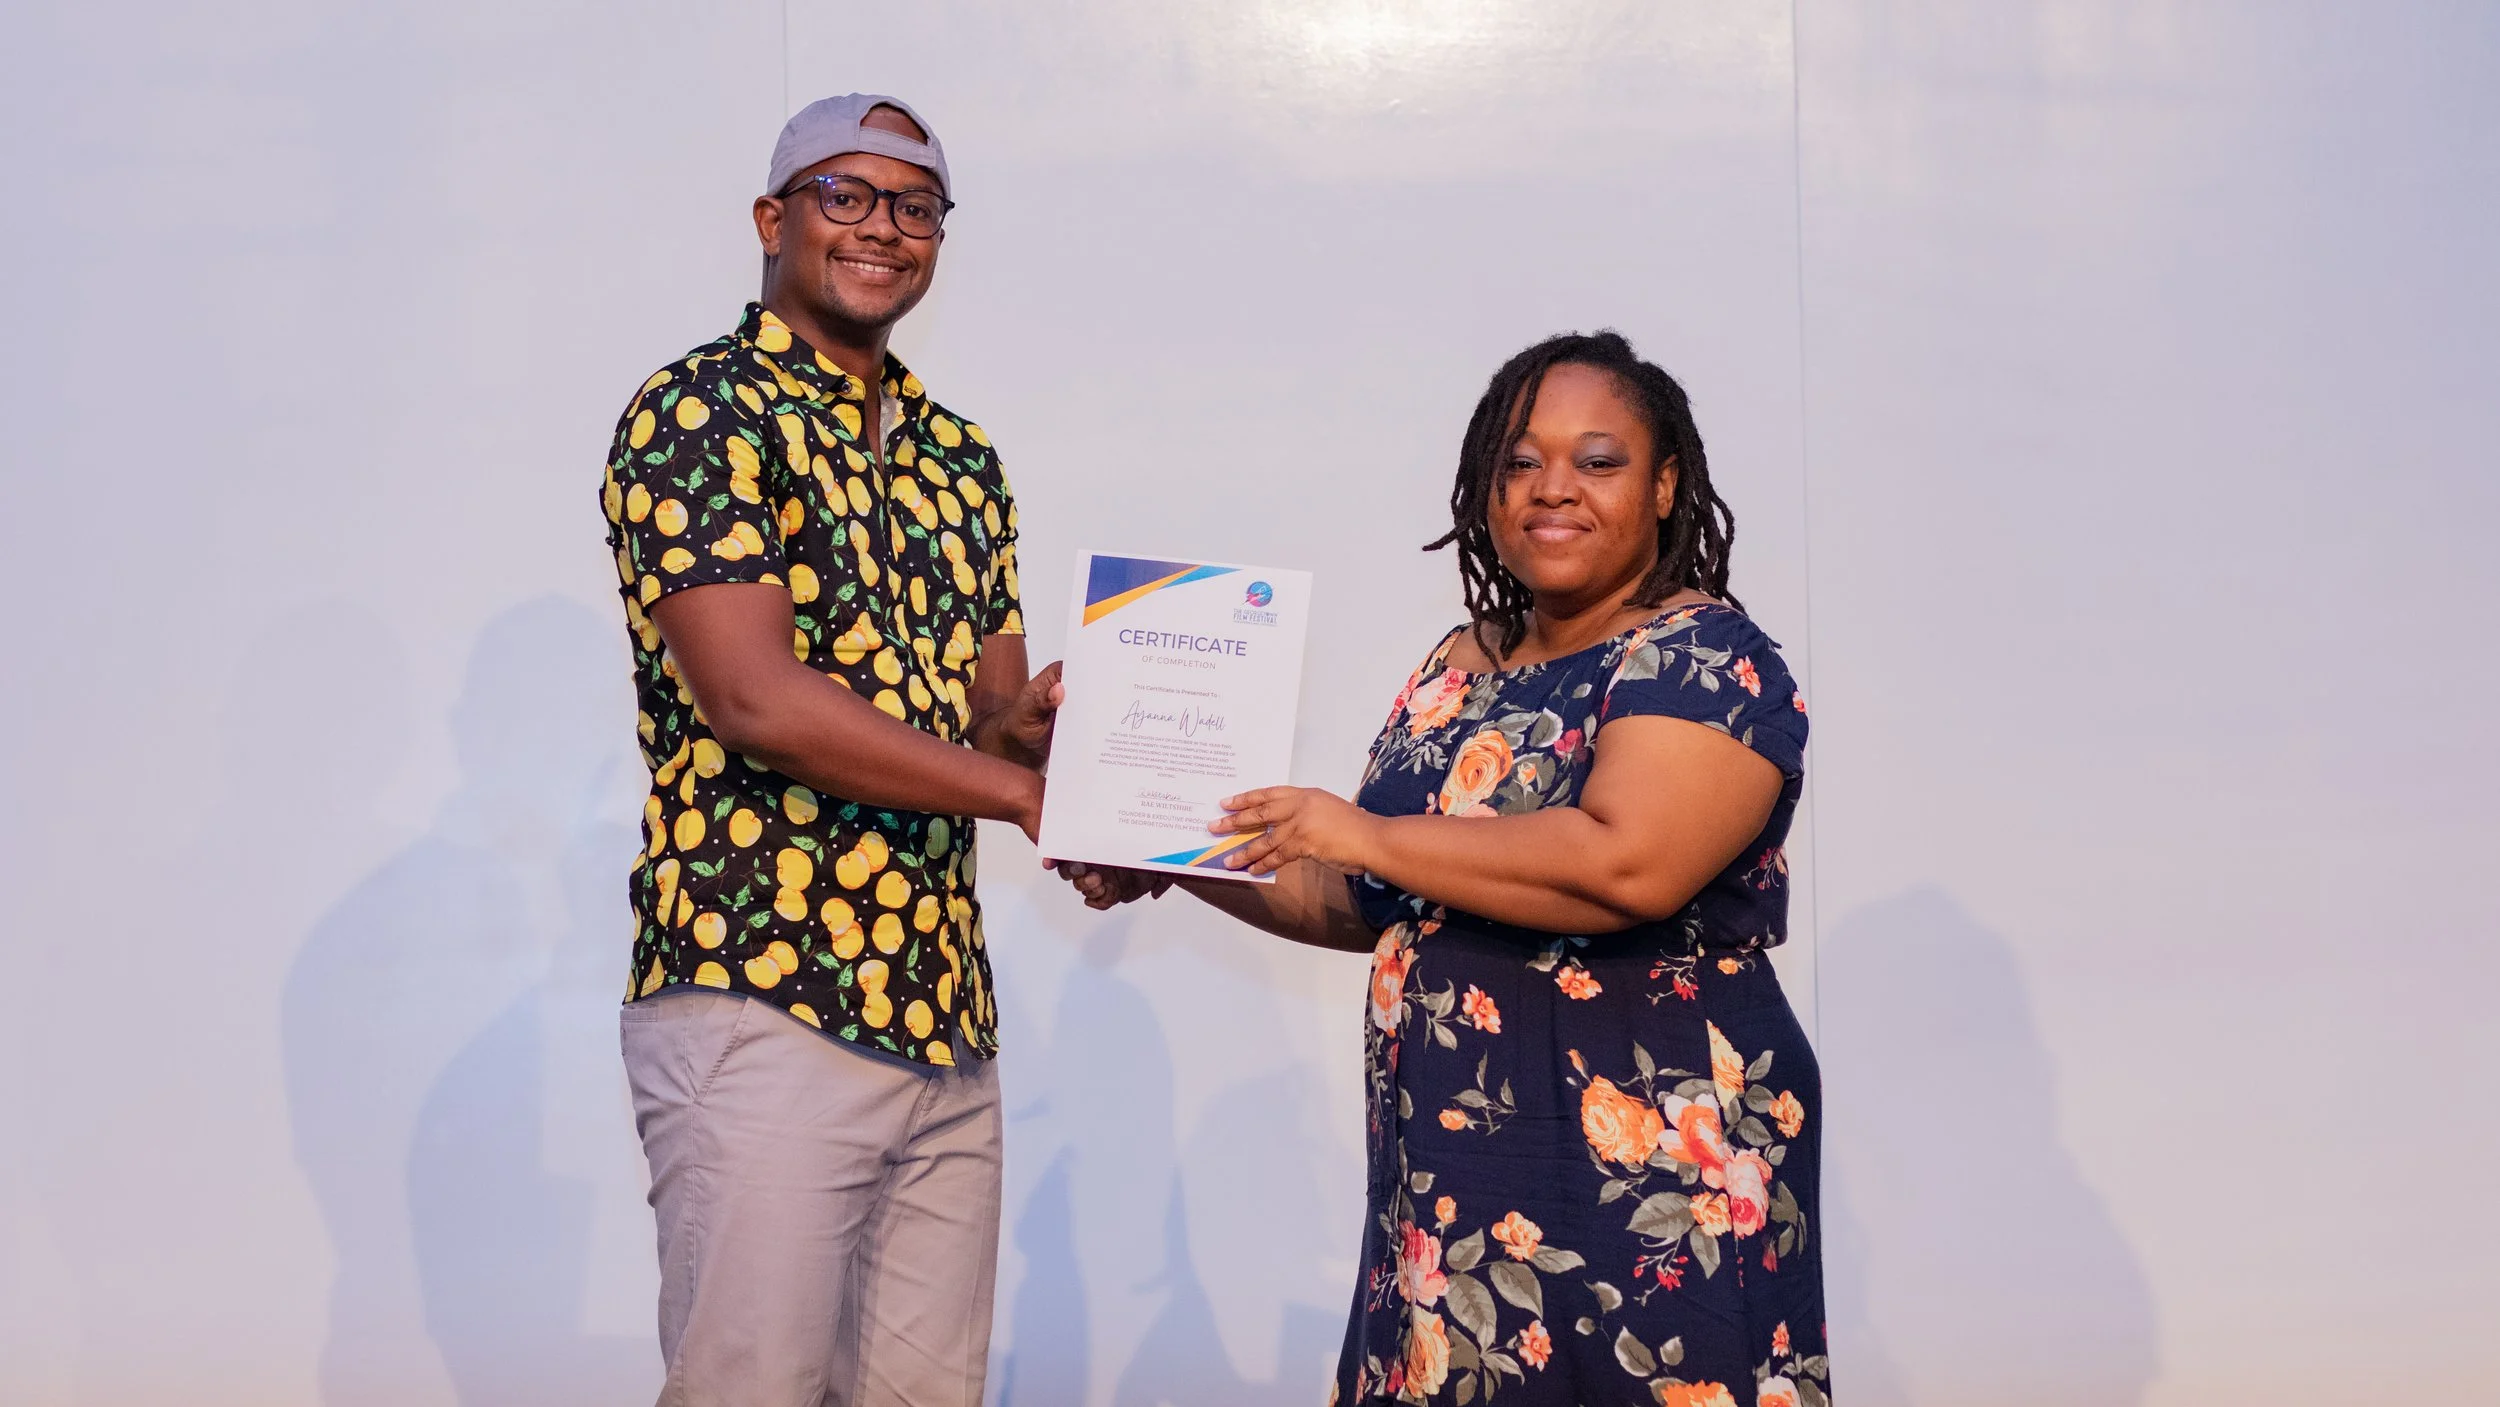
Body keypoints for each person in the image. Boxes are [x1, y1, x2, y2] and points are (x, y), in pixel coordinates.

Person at [1060, 332, 1828, 1406]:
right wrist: (1167, 843)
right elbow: (1359, 897)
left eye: (1596, 461)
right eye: (1519, 462)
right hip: (1457, 1187)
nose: (1550, 488)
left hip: (1651, 1179)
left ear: (1663, 487)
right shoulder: (1458, 665)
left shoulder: (1705, 659)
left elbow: (1624, 866)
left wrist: (1358, 833)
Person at [598, 94, 1055, 1406]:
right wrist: (1028, 792)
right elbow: (758, 700)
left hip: (943, 1014)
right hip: (764, 988)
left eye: (915, 206)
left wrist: (1076, 735)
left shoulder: (963, 460)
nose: (883, 228)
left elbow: (987, 713)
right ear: (773, 219)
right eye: (846, 195)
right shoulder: (699, 412)